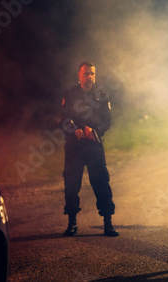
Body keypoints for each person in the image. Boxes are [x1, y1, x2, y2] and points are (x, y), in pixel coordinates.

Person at [60, 62, 119, 237]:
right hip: (74, 148)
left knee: (101, 183)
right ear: (79, 75)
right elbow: (63, 120)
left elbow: (106, 121)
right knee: (71, 185)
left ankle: (108, 223)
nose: (89, 77)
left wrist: (92, 131)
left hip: (94, 147)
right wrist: (75, 129)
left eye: (92, 74)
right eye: (86, 74)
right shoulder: (70, 95)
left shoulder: (101, 96)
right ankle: (72, 223)